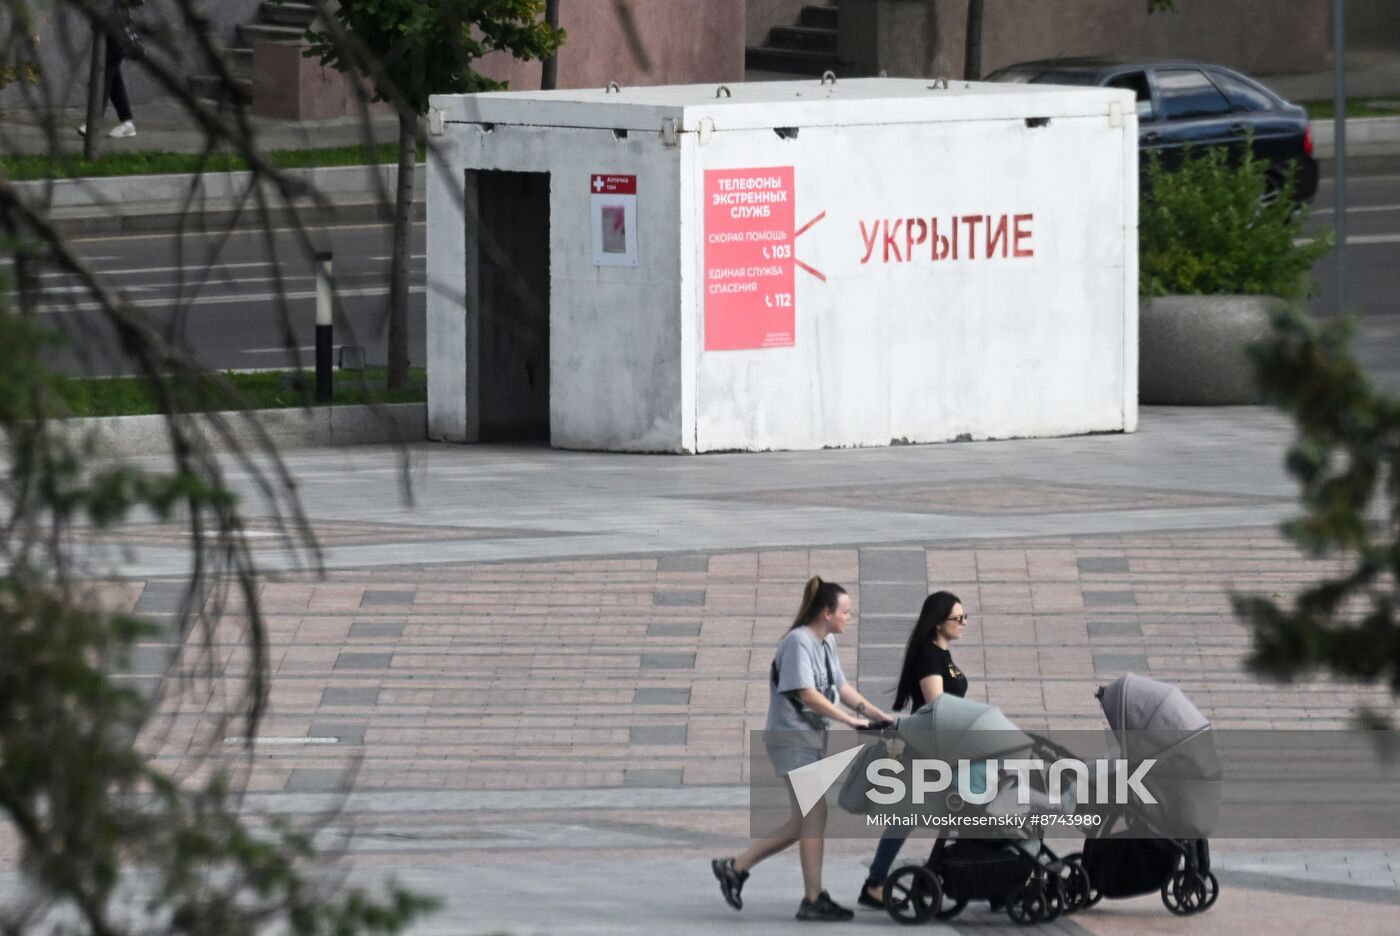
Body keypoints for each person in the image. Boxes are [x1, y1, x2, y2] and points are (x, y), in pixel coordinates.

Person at [712, 576, 892, 921]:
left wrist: (876, 715)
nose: (849, 618)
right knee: (814, 816)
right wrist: (850, 722)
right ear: (827, 613)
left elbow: (841, 688)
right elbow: (806, 693)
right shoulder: (798, 643)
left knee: (803, 822)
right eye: (846, 612)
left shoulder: (824, 644)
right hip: (791, 739)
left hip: (808, 741)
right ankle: (812, 898)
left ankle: (736, 868)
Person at [857, 590, 969, 909]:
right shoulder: (929, 656)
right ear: (938, 623)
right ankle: (877, 883)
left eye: (965, 617)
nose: (964, 623)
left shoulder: (942, 653)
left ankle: (876, 882)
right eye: (957, 618)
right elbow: (937, 705)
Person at [78, 1, 138, 139]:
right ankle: (127, 124)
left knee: (102, 78)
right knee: (114, 82)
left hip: (115, 32)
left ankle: (92, 123)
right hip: (110, 31)